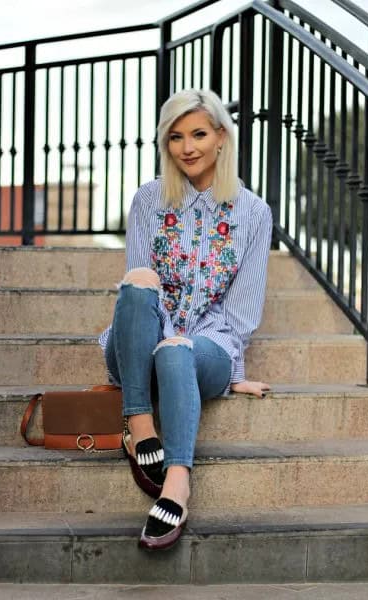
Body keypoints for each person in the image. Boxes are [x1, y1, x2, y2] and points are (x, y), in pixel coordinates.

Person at [99, 88, 272, 551]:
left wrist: (233, 373)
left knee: (178, 349)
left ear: (221, 138)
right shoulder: (149, 200)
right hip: (139, 349)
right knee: (137, 280)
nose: (187, 147)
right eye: (176, 137)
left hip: (205, 346)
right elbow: (140, 297)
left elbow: (241, 311)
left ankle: (177, 483)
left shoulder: (254, 212)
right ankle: (140, 426)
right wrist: (159, 335)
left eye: (198, 134)